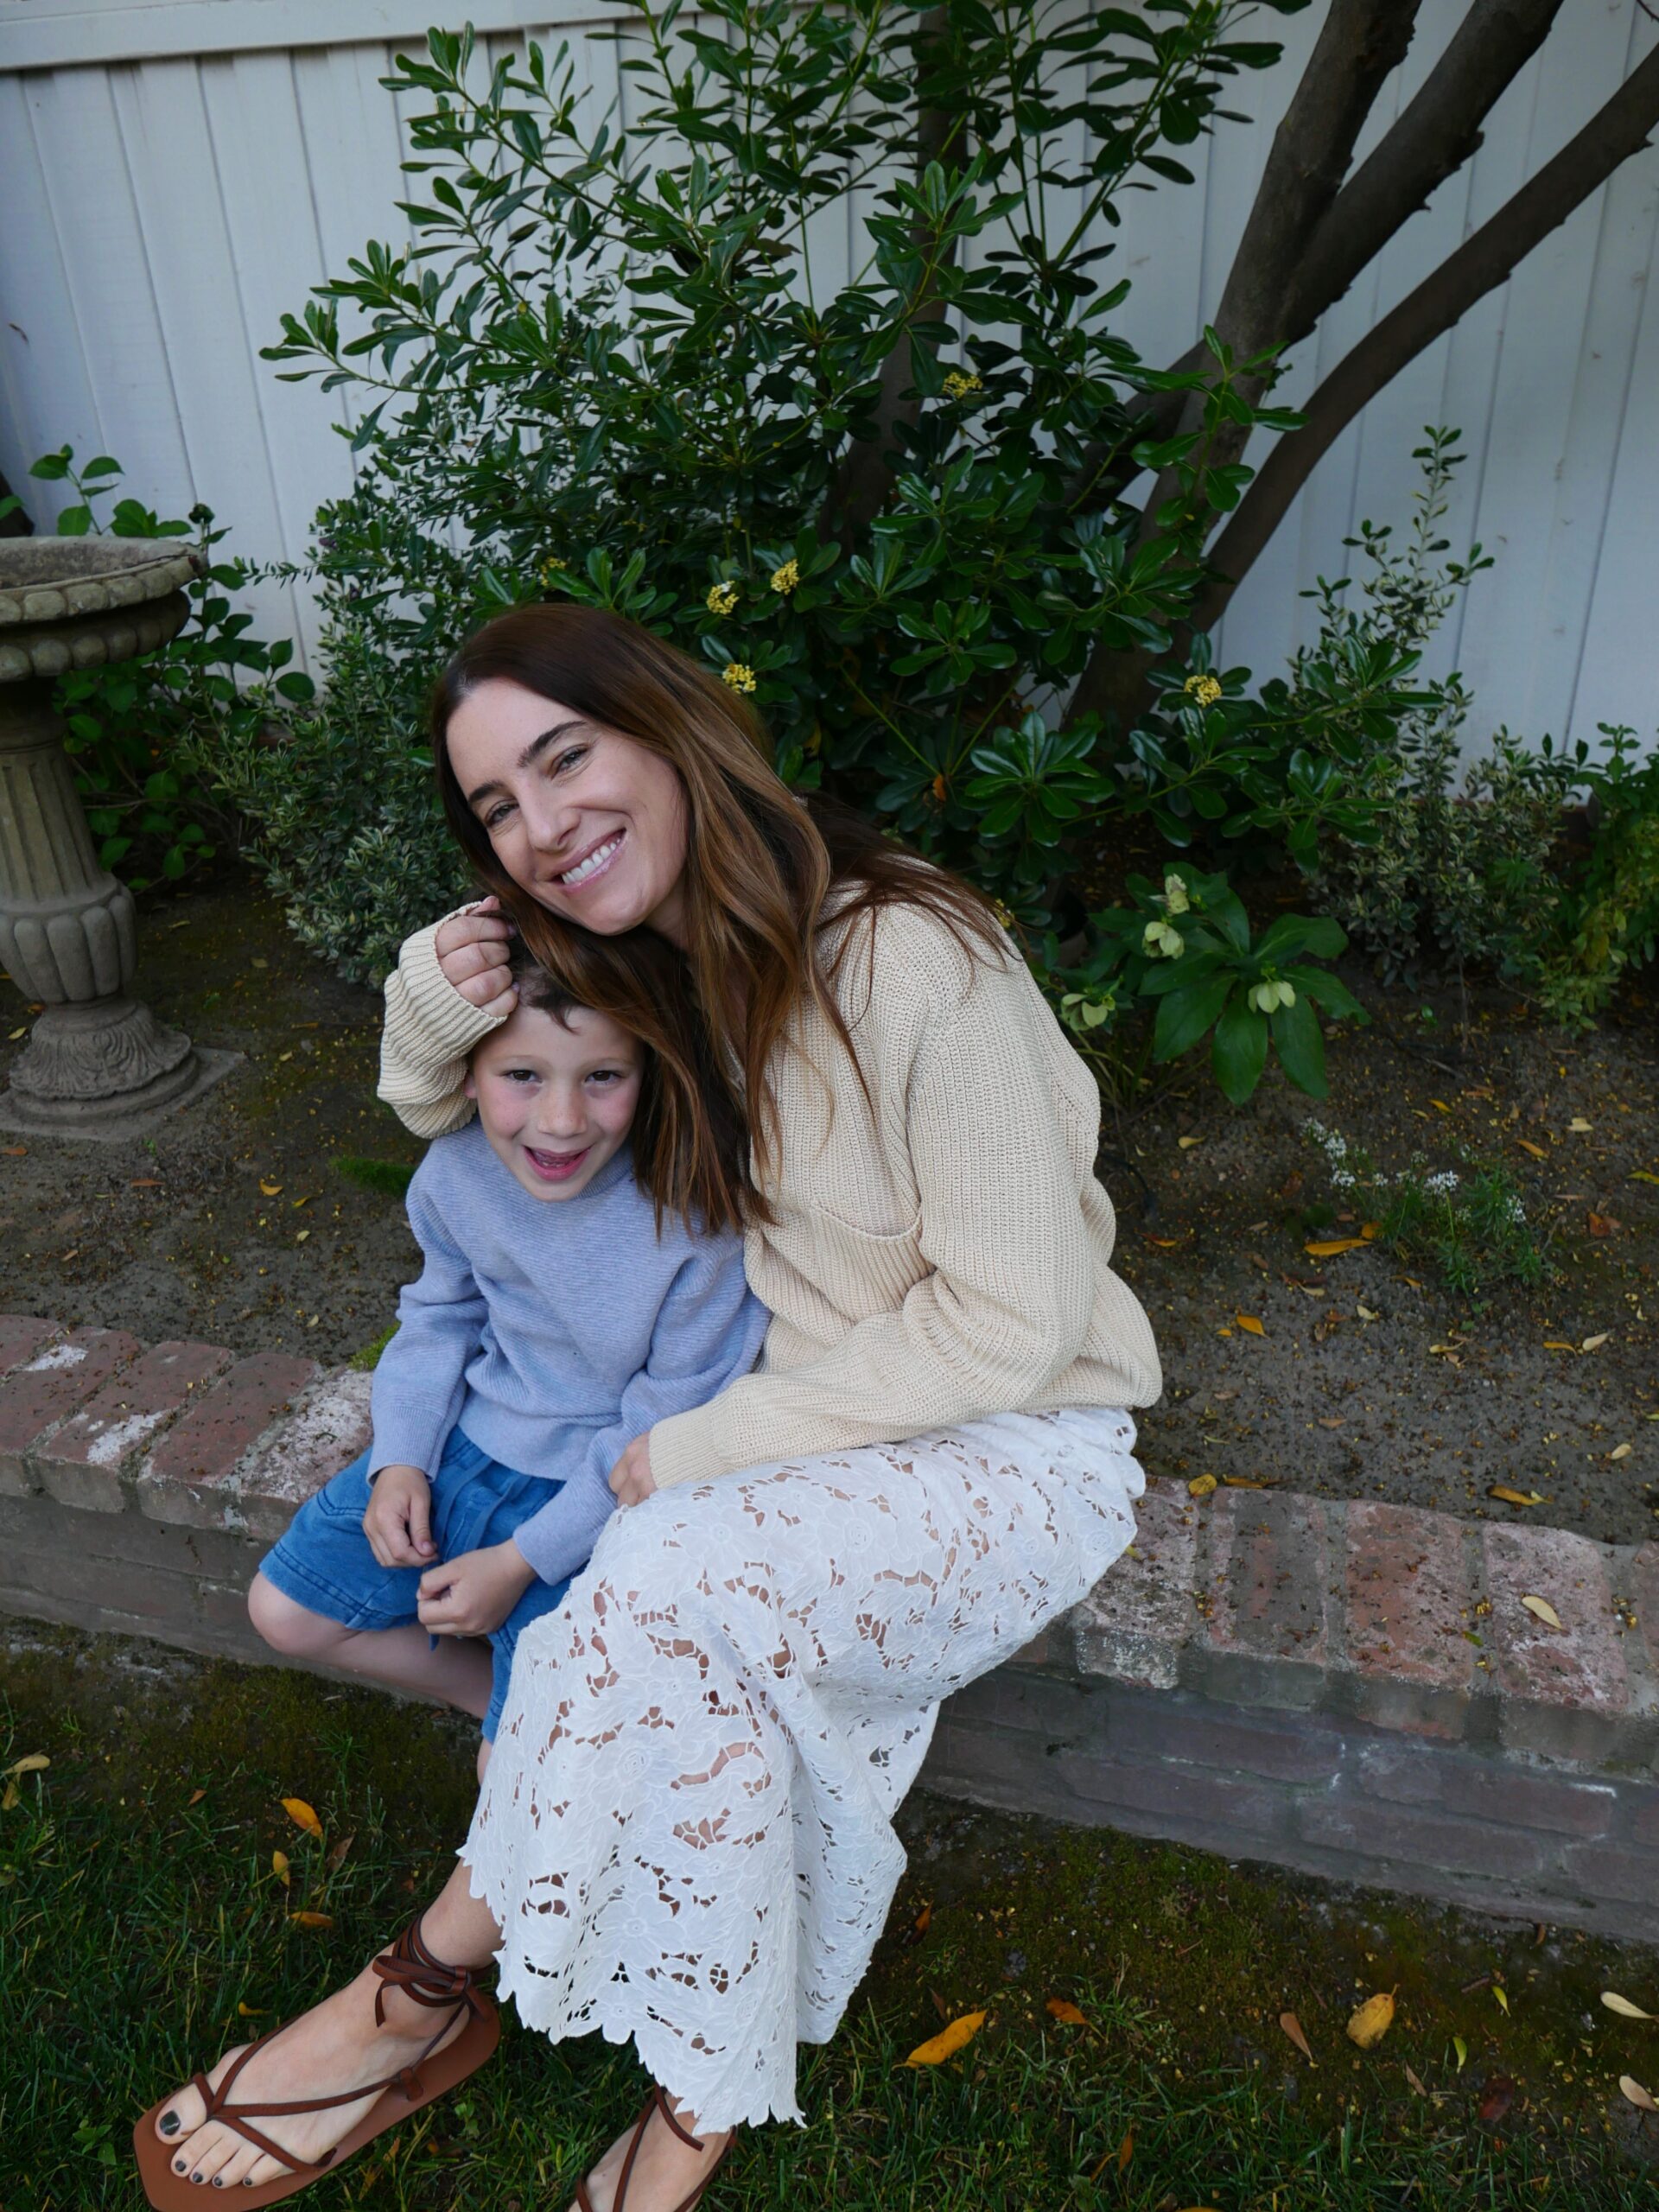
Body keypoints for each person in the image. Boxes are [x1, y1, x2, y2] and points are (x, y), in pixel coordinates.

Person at [139, 604, 1161, 2212]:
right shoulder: (658, 959)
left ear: (673, 729)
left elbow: (1013, 1326)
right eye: (495, 807)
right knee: (676, 1650)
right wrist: (429, 997)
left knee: (649, 1578)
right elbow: (463, 1118)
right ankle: (700, 2086)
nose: (541, 827)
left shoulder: (915, 959)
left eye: (566, 758)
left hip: (1002, 1447)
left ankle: (411, 1998)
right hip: (801, 1451)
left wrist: (693, 1448)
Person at [247, 947, 768, 1780]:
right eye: (522, 1074)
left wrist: (521, 1561)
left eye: (603, 1077)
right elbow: (439, 1317)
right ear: (465, 1076)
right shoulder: (454, 1175)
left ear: (651, 1076)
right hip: (468, 1449)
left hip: (605, 1499)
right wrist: (400, 1462)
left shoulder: (695, 1218)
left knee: (513, 1783)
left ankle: (530, 1733)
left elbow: (665, 1424)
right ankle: (505, 1699)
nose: (560, 1120)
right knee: (286, 1610)